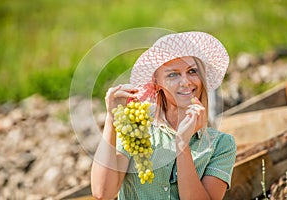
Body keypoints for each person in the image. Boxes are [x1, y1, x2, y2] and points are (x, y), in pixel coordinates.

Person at [91, 31, 237, 200]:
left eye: (192, 71)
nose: (185, 82)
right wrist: (112, 119)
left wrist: (182, 143)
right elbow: (102, 192)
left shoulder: (221, 144)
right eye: (173, 74)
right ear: (156, 82)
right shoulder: (138, 126)